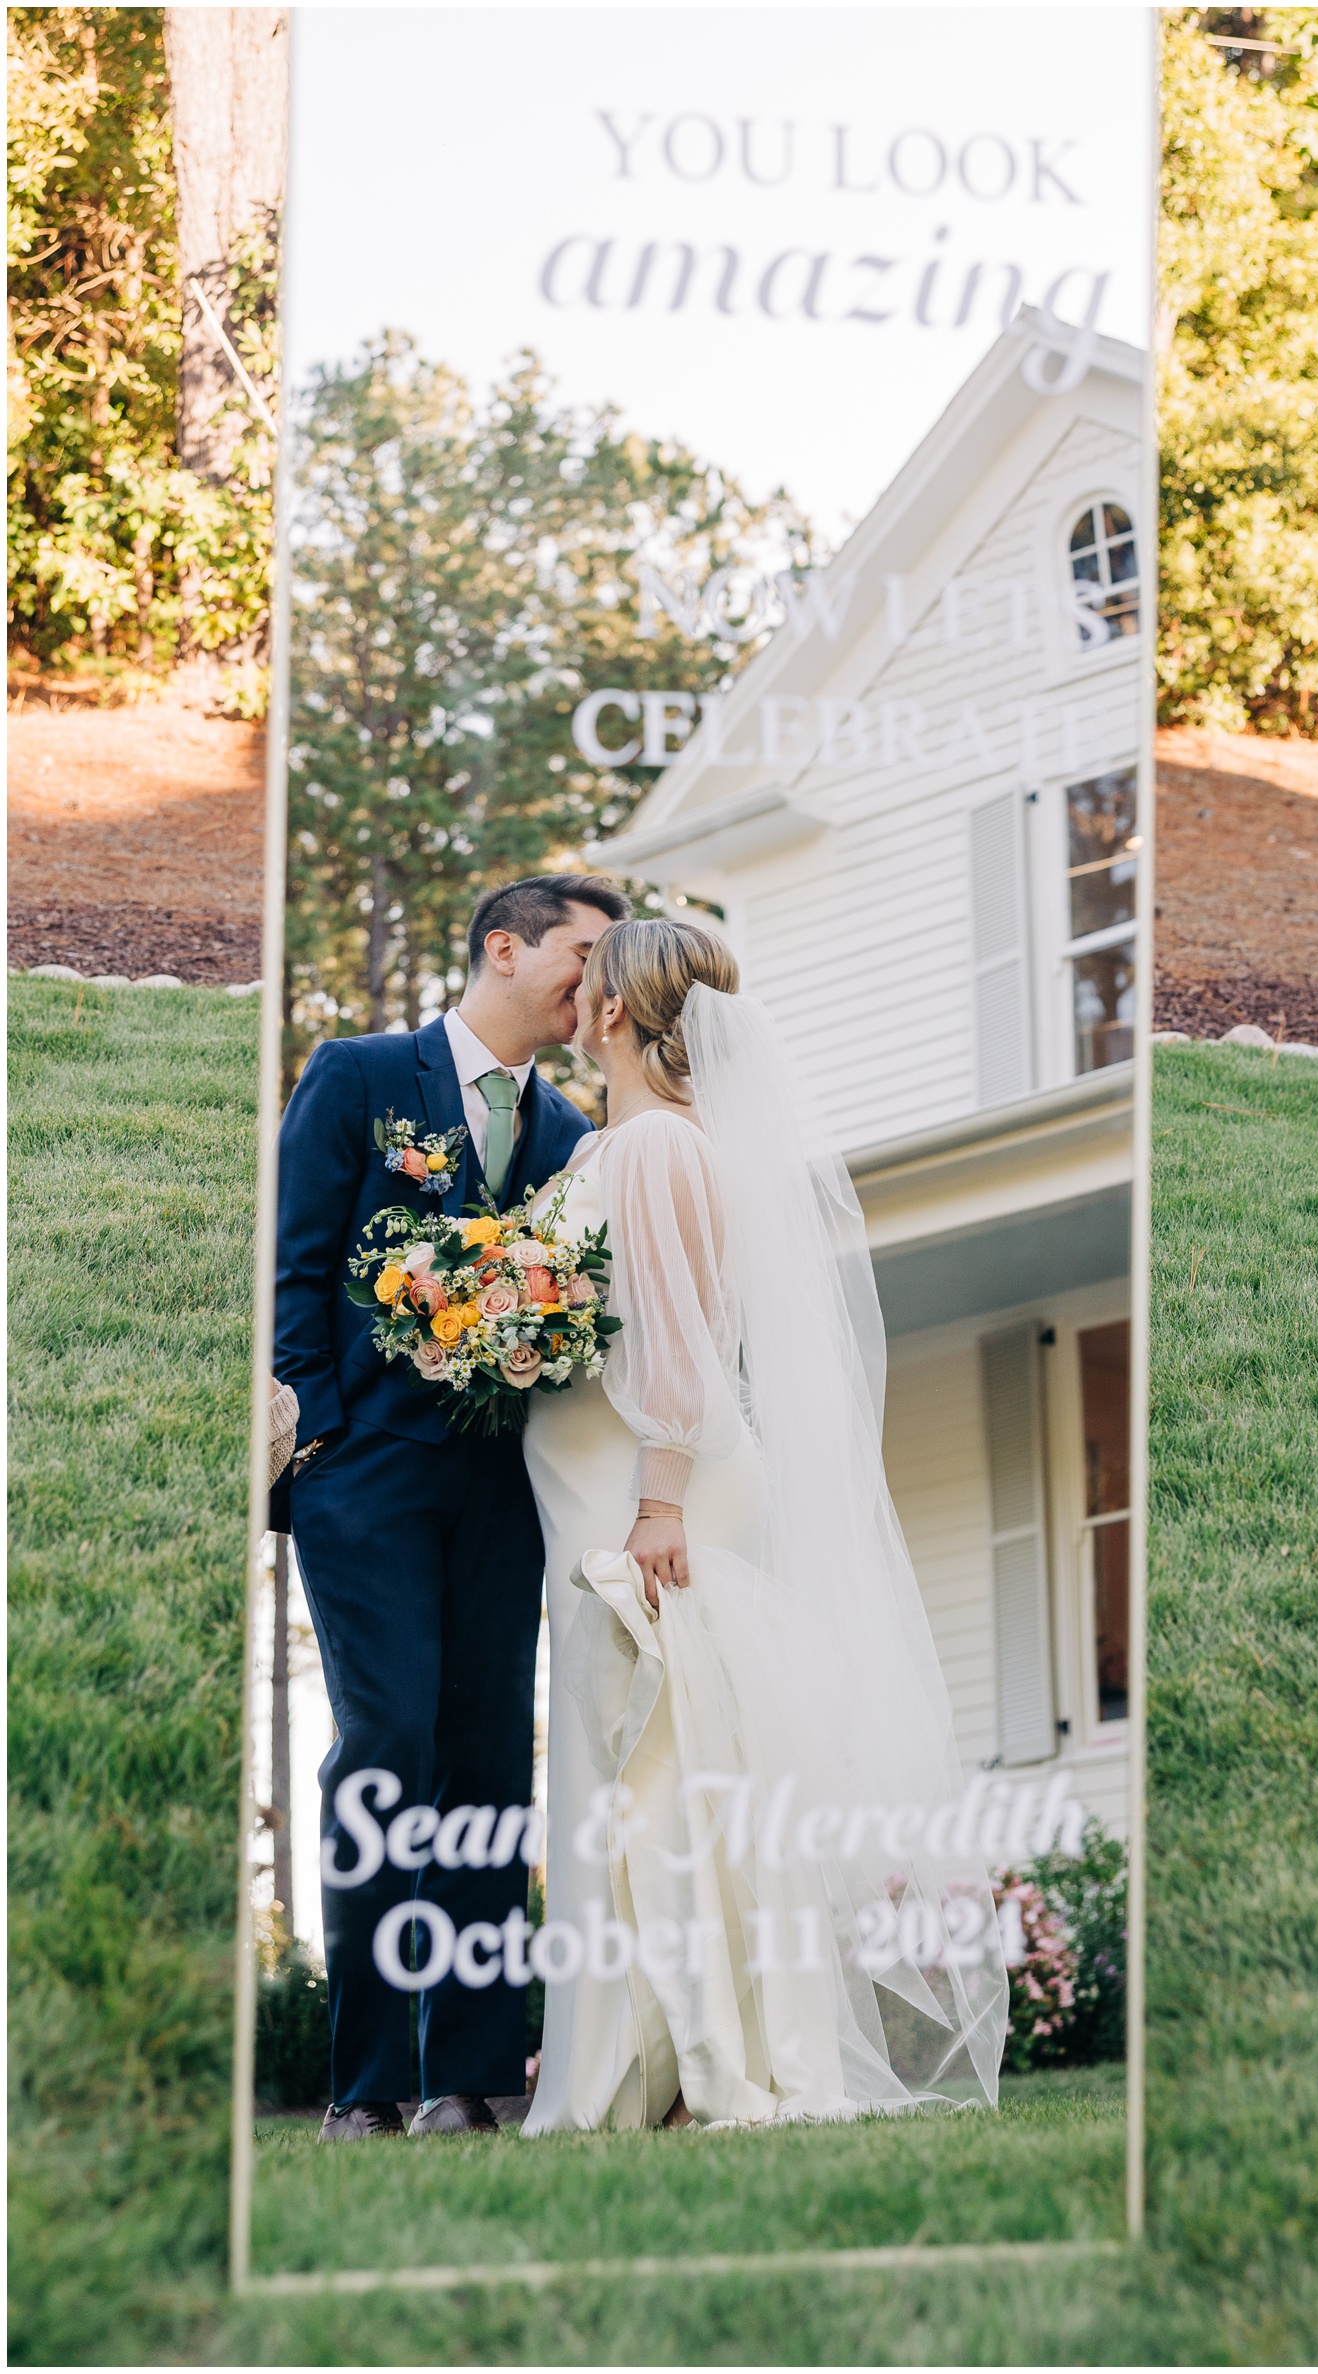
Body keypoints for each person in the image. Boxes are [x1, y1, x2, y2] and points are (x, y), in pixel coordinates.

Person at [522, 917, 1007, 2131]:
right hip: (617, 1477)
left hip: (646, 1491)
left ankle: (689, 2066)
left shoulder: (656, 1152)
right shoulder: (637, 1144)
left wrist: (658, 1503)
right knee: (647, 1769)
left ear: (619, 1012)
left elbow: (678, 1347)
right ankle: (664, 2055)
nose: (574, 999)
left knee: (665, 1771)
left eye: (590, 985)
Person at [273, 872, 626, 2140]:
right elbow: (296, 1265)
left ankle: (469, 2078)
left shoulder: (571, 1135)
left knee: (484, 1764)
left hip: (502, 1493)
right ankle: (363, 2082)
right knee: (385, 1750)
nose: (599, 974)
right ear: (504, 949)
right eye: (585, 951)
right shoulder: (360, 1075)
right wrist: (317, 1435)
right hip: (363, 1481)